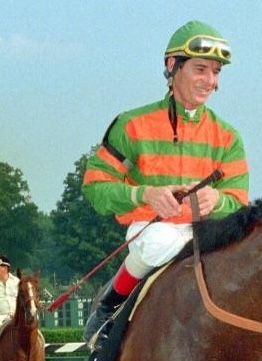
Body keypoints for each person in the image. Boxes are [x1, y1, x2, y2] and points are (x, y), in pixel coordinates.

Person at [82, 20, 249, 341]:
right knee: (161, 241)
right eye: (201, 69)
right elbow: (95, 187)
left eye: (216, 72)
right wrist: (143, 195)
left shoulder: (229, 137)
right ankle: (108, 305)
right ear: (173, 66)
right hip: (152, 231)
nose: (210, 81)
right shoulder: (131, 125)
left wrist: (219, 200)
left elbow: (238, 202)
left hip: (208, 234)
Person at [0, 255, 55, 361]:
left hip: (18, 316)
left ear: (6, 267)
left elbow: (27, 297)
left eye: (1, 266)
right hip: (0, 317)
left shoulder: (17, 282)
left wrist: (35, 304)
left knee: (39, 336)